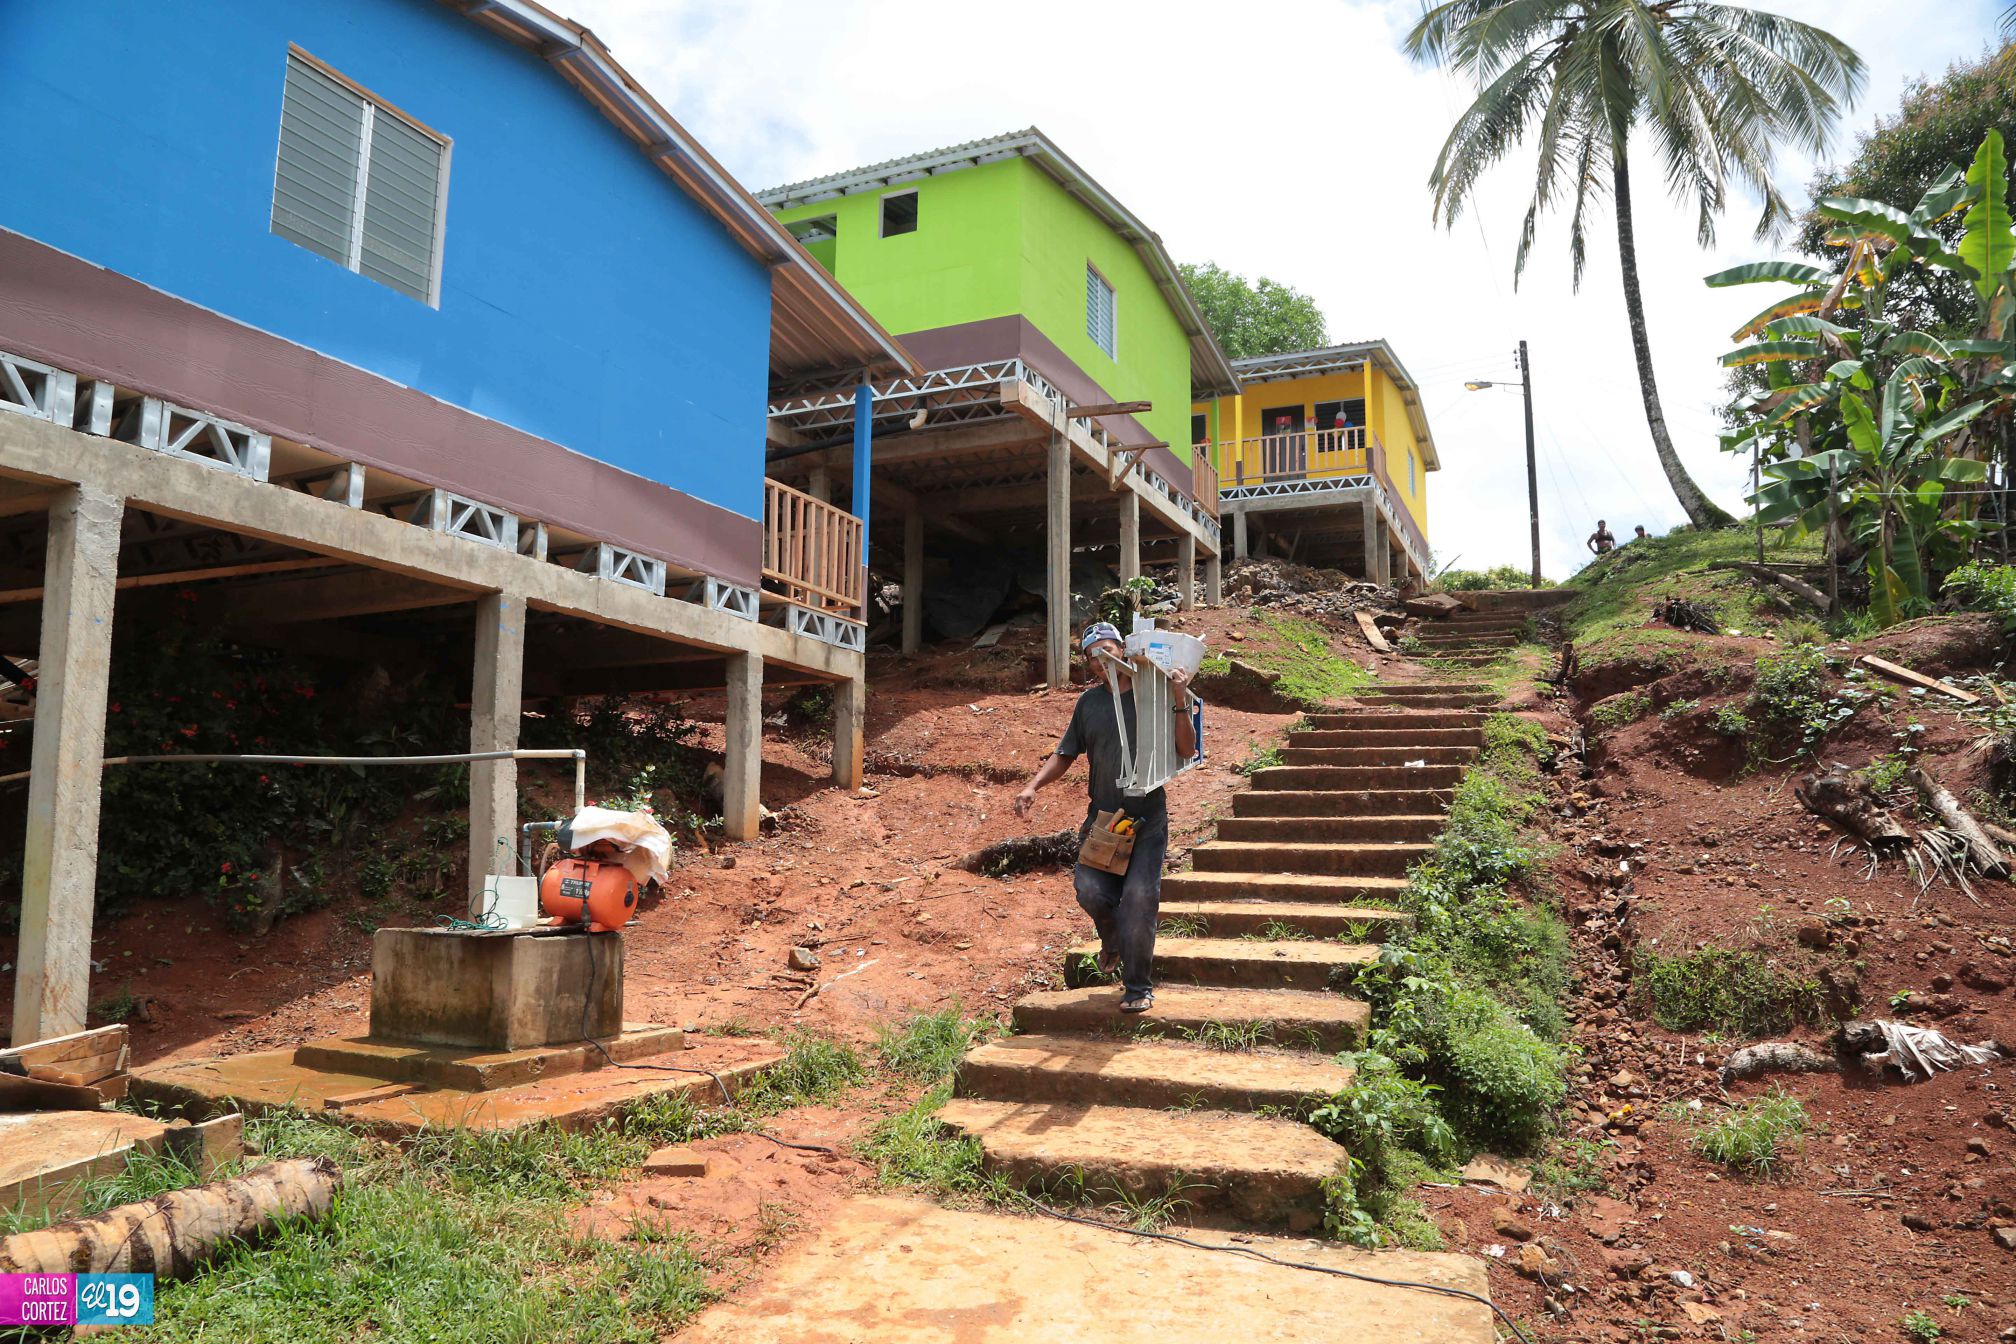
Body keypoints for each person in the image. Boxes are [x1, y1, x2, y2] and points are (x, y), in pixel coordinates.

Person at [1014, 622, 1197, 1014]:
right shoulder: (1089, 704)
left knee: (1138, 898)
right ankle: (1113, 938)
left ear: (1125, 651)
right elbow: (1065, 754)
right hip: (1104, 821)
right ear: (1090, 665)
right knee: (1091, 890)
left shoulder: (1156, 691)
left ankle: (1137, 986)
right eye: (1094, 656)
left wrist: (1179, 695)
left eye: (1109, 650)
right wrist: (1033, 786)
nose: (1103, 660)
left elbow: (1185, 748)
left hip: (1146, 819)